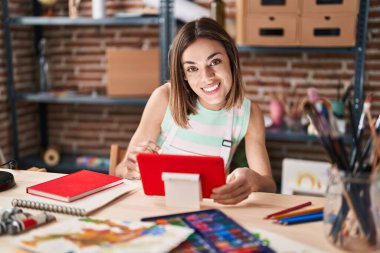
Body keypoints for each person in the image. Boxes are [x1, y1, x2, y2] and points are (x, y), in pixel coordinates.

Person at [115, 17, 276, 204]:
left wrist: (254, 181)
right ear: (183, 75)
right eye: (192, 68)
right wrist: (131, 170)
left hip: (207, 210)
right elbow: (118, 171)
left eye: (215, 62)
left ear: (231, 60)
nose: (206, 77)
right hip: (158, 205)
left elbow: (269, 185)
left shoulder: (249, 113)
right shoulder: (163, 99)